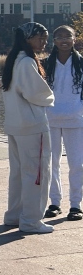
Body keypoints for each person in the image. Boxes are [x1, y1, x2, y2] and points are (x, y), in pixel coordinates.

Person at [2, 22, 55, 233]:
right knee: (37, 174)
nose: (44, 42)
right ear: (28, 39)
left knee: (18, 173)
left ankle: (15, 215)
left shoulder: (14, 60)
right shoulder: (26, 62)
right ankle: (31, 220)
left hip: (15, 124)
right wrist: (51, 96)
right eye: (40, 37)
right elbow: (37, 93)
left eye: (45, 37)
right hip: (32, 125)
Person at [43, 25, 83, 221]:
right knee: (51, 163)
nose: (64, 40)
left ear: (74, 39)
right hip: (49, 119)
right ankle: (54, 202)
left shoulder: (81, 64)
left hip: (76, 120)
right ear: (54, 41)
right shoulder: (45, 64)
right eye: (59, 37)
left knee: (76, 164)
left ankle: (76, 204)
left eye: (68, 36)